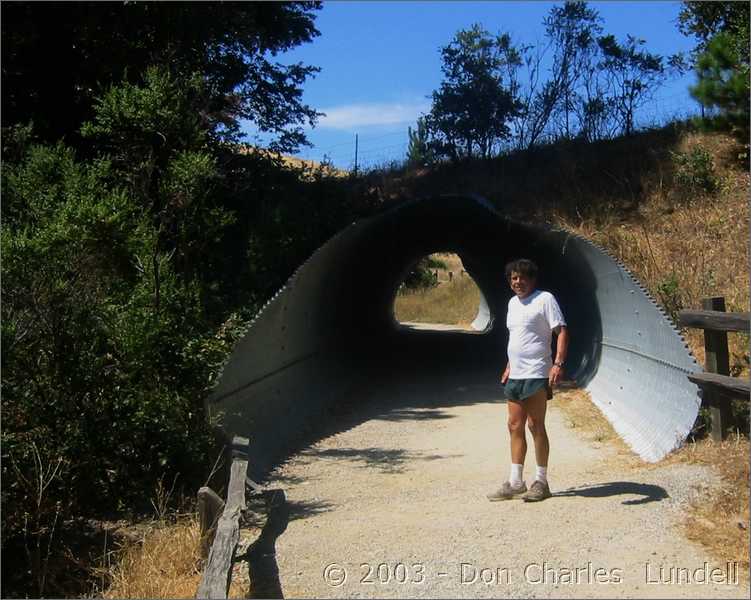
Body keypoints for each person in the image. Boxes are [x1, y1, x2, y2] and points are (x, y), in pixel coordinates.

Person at [487, 258, 569, 502]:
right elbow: (519, 337)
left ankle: (541, 482)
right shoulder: (513, 304)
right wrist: (509, 365)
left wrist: (558, 363)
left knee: (535, 425)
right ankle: (515, 482)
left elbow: (562, 331)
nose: (518, 282)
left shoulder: (545, 299)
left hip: (536, 372)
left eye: (523, 277)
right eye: (513, 278)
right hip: (516, 374)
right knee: (514, 425)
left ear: (532, 279)